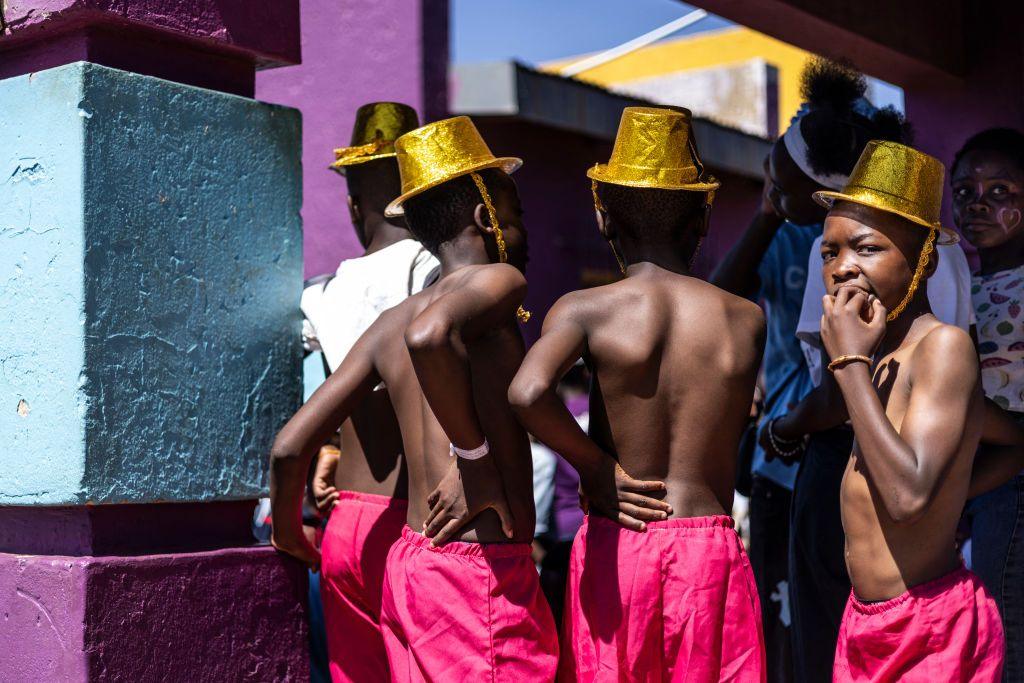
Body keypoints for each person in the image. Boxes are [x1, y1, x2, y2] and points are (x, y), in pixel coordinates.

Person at [270, 115, 558, 680]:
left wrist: (289, 533)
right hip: (481, 573)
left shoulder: (386, 321)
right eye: (518, 216)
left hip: (408, 560)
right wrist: (474, 461)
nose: (527, 234)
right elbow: (430, 340)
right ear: (486, 217)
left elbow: (287, 446)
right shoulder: (500, 282)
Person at [509, 106, 767, 681]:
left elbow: (527, 393)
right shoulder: (744, 319)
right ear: (703, 220)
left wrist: (594, 467)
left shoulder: (585, 310)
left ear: (604, 220)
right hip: (711, 554)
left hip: (620, 544)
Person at [710, 58, 907, 682]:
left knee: (837, 635)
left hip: (838, 449)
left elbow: (840, 381)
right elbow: (722, 300)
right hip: (788, 470)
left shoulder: (851, 248)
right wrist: (768, 214)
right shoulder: (793, 232)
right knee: (793, 633)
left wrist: (787, 425)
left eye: (779, 176)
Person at [813, 140, 1004, 680]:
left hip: (929, 631)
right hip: (868, 625)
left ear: (925, 258)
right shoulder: (881, 359)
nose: (843, 268)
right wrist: (957, 486)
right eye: (830, 253)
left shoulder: (942, 348)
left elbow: (905, 497)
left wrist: (847, 361)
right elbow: (1008, 438)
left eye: (866, 249)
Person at [292, 102, 439, 683]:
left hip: (346, 524)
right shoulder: (439, 272)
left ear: (354, 206)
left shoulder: (322, 294)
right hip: (418, 519)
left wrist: (327, 447)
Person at [953, 128, 1024, 681]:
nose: (978, 204)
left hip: (1014, 478)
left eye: (999, 192)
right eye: (965, 191)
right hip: (969, 475)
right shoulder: (957, 284)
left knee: (1008, 625)